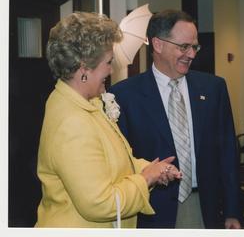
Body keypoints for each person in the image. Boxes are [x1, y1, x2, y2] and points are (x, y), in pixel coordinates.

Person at [35, 12, 181, 228]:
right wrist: (146, 179)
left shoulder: (85, 102)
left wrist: (152, 168)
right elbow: (99, 203)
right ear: (84, 69)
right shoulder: (72, 122)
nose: (111, 70)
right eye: (108, 62)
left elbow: (113, 162)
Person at [110, 9, 241, 229]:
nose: (191, 54)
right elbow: (121, 161)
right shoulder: (124, 95)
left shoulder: (213, 88)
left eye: (195, 47)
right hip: (151, 212)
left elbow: (228, 153)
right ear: (158, 45)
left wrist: (232, 211)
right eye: (184, 46)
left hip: (206, 208)